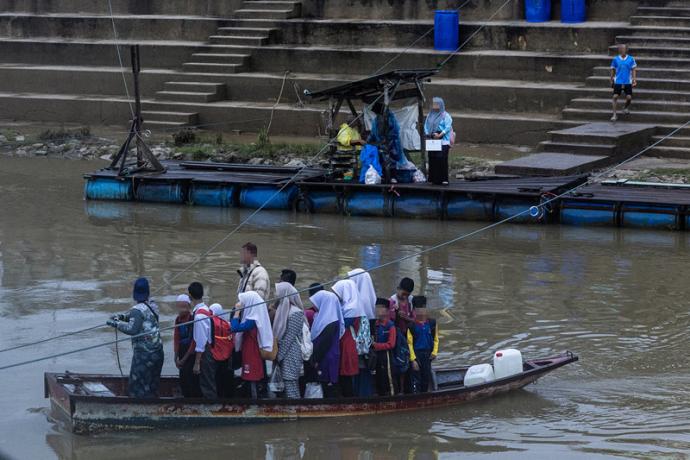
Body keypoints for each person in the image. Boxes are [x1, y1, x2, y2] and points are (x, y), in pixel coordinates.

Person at [106, 277, 163, 398]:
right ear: (148, 292)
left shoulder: (136, 310)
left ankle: (139, 409)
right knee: (152, 383)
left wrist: (116, 323)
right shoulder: (153, 306)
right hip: (157, 353)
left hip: (144, 355)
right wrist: (121, 316)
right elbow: (139, 319)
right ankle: (153, 406)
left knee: (137, 384)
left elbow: (132, 329)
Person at [231, 290, 274, 398]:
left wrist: (237, 312)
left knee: (251, 377)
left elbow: (235, 328)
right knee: (250, 377)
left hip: (252, 353)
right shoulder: (255, 316)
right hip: (250, 351)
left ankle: (254, 402)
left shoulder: (253, 319)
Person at [309, 290, 344, 398]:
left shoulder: (330, 322)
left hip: (326, 357)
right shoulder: (323, 318)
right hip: (327, 356)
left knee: (328, 384)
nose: (314, 306)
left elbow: (324, 344)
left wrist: (315, 359)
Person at [347, 268, 377, 396]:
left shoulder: (358, 300)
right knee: (364, 369)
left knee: (359, 368)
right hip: (367, 342)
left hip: (359, 343)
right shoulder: (370, 296)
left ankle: (360, 395)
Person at [332, 279, 363, 397]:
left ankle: (349, 401)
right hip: (344, 342)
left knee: (346, 375)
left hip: (347, 344)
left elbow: (341, 325)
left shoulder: (352, 308)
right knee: (343, 375)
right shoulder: (346, 306)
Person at [274, 281, 305, 399]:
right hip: (283, 353)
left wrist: (279, 356)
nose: (276, 295)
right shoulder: (283, 309)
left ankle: (295, 412)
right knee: (283, 386)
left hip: (291, 354)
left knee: (290, 383)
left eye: (278, 292)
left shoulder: (295, 313)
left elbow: (289, 338)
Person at [188, 282, 217, 399]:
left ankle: (211, 409)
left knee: (207, 383)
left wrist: (197, 363)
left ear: (190, 296)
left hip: (206, 353)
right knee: (209, 379)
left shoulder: (199, 316)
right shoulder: (206, 309)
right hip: (211, 348)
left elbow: (201, 342)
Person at [407, 296, 439, 393]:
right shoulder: (411, 326)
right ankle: (417, 396)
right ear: (414, 311)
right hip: (417, 355)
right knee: (416, 378)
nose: (421, 312)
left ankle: (424, 395)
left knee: (426, 376)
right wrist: (413, 360)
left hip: (428, 355)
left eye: (423, 308)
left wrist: (434, 352)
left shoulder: (432, 323)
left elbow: (436, 339)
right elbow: (409, 344)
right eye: (418, 309)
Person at [368, 105, 406, 183]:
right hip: (381, 143)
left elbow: (394, 131)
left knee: (392, 160)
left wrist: (388, 140)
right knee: (382, 160)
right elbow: (373, 133)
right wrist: (368, 141)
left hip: (391, 143)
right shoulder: (376, 120)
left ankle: (392, 177)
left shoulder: (390, 119)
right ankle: (385, 177)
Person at [173, 294, 201, 397]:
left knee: (191, 380)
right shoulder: (178, 320)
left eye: (183, 307)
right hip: (181, 351)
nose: (181, 310)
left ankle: (193, 401)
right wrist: (175, 357)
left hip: (190, 354)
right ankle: (185, 398)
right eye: (179, 307)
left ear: (189, 307)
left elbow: (194, 342)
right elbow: (176, 338)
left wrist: (183, 359)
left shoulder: (193, 319)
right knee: (183, 379)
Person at [424, 97, 453, 185]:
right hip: (432, 139)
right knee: (432, 158)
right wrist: (428, 133)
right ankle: (433, 179)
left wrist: (440, 134)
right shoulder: (430, 115)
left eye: (436, 104)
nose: (434, 106)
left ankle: (443, 179)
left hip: (443, 140)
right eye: (433, 104)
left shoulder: (445, 115)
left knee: (442, 159)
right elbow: (426, 125)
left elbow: (448, 126)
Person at [373, 298, 397, 396]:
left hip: (386, 356)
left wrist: (376, 346)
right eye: (377, 308)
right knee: (378, 377)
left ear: (387, 310)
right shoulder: (375, 324)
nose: (378, 310)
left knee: (389, 377)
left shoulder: (390, 326)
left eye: (380, 308)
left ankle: (393, 397)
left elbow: (391, 344)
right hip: (376, 356)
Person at [209, 303, 234, 398]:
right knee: (227, 378)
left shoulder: (211, 323)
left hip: (215, 356)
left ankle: (218, 398)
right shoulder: (228, 324)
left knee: (217, 378)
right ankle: (229, 397)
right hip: (228, 357)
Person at [610, 43, 637, 122]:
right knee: (615, 97)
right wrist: (611, 78)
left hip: (627, 81)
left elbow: (634, 69)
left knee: (629, 97)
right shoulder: (615, 59)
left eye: (624, 49)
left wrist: (634, 79)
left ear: (626, 50)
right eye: (621, 49)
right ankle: (614, 114)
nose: (622, 50)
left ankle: (625, 107)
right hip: (618, 81)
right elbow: (612, 69)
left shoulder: (631, 59)